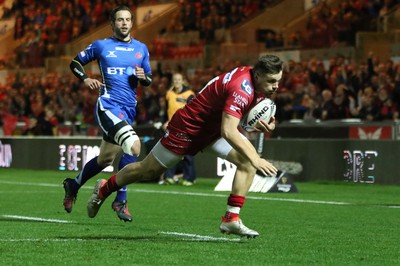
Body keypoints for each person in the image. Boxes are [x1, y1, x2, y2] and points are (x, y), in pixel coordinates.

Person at [87, 54, 283, 238]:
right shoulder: (241, 87)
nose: (276, 86)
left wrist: (266, 122)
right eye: (272, 81)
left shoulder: (254, 79)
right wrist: (257, 157)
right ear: (257, 75)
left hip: (211, 131)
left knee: (246, 162)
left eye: (278, 81)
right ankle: (105, 188)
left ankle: (231, 218)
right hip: (188, 128)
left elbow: (244, 114)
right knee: (147, 171)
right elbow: (229, 131)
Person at [62, 5, 152, 222]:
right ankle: (120, 199)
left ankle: (73, 184)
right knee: (134, 146)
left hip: (128, 109)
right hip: (108, 105)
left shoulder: (141, 48)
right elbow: (75, 62)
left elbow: (147, 79)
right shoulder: (102, 46)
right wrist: (85, 78)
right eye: (120, 20)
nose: (124, 23)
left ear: (132, 23)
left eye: (128, 20)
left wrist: (143, 77)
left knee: (105, 159)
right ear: (113, 24)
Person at [162, 73, 196, 186]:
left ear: (183, 81)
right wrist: (164, 122)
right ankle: (169, 176)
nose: (177, 81)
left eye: (179, 79)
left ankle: (189, 178)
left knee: (187, 153)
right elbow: (166, 109)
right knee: (170, 152)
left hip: (186, 126)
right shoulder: (169, 94)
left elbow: (193, 111)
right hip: (172, 127)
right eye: (175, 79)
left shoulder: (189, 94)